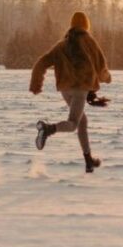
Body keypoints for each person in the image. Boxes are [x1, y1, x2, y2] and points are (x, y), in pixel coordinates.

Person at [30, 11, 112, 173]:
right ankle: (47, 129)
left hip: (65, 89)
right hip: (80, 89)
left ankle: (88, 160)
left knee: (82, 121)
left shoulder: (62, 44)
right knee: (73, 123)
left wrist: (36, 84)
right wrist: (107, 78)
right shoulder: (89, 41)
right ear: (86, 25)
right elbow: (101, 67)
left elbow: (41, 62)